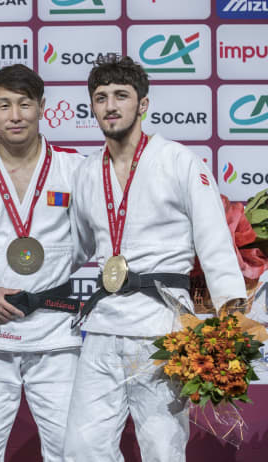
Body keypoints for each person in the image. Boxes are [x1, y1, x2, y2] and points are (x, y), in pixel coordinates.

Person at [63, 55, 246, 462]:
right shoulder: (86, 171)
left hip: (162, 328)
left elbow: (214, 240)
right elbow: (76, 247)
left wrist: (229, 317)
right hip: (103, 326)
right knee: (81, 449)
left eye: (121, 96)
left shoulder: (178, 160)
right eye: (101, 97)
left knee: (163, 451)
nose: (110, 106)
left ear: (142, 104)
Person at [0, 64, 84, 461]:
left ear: (42, 107)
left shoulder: (75, 167)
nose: (15, 115)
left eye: (25, 104)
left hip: (57, 331)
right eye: (4, 105)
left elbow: (96, 240)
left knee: (72, 450)